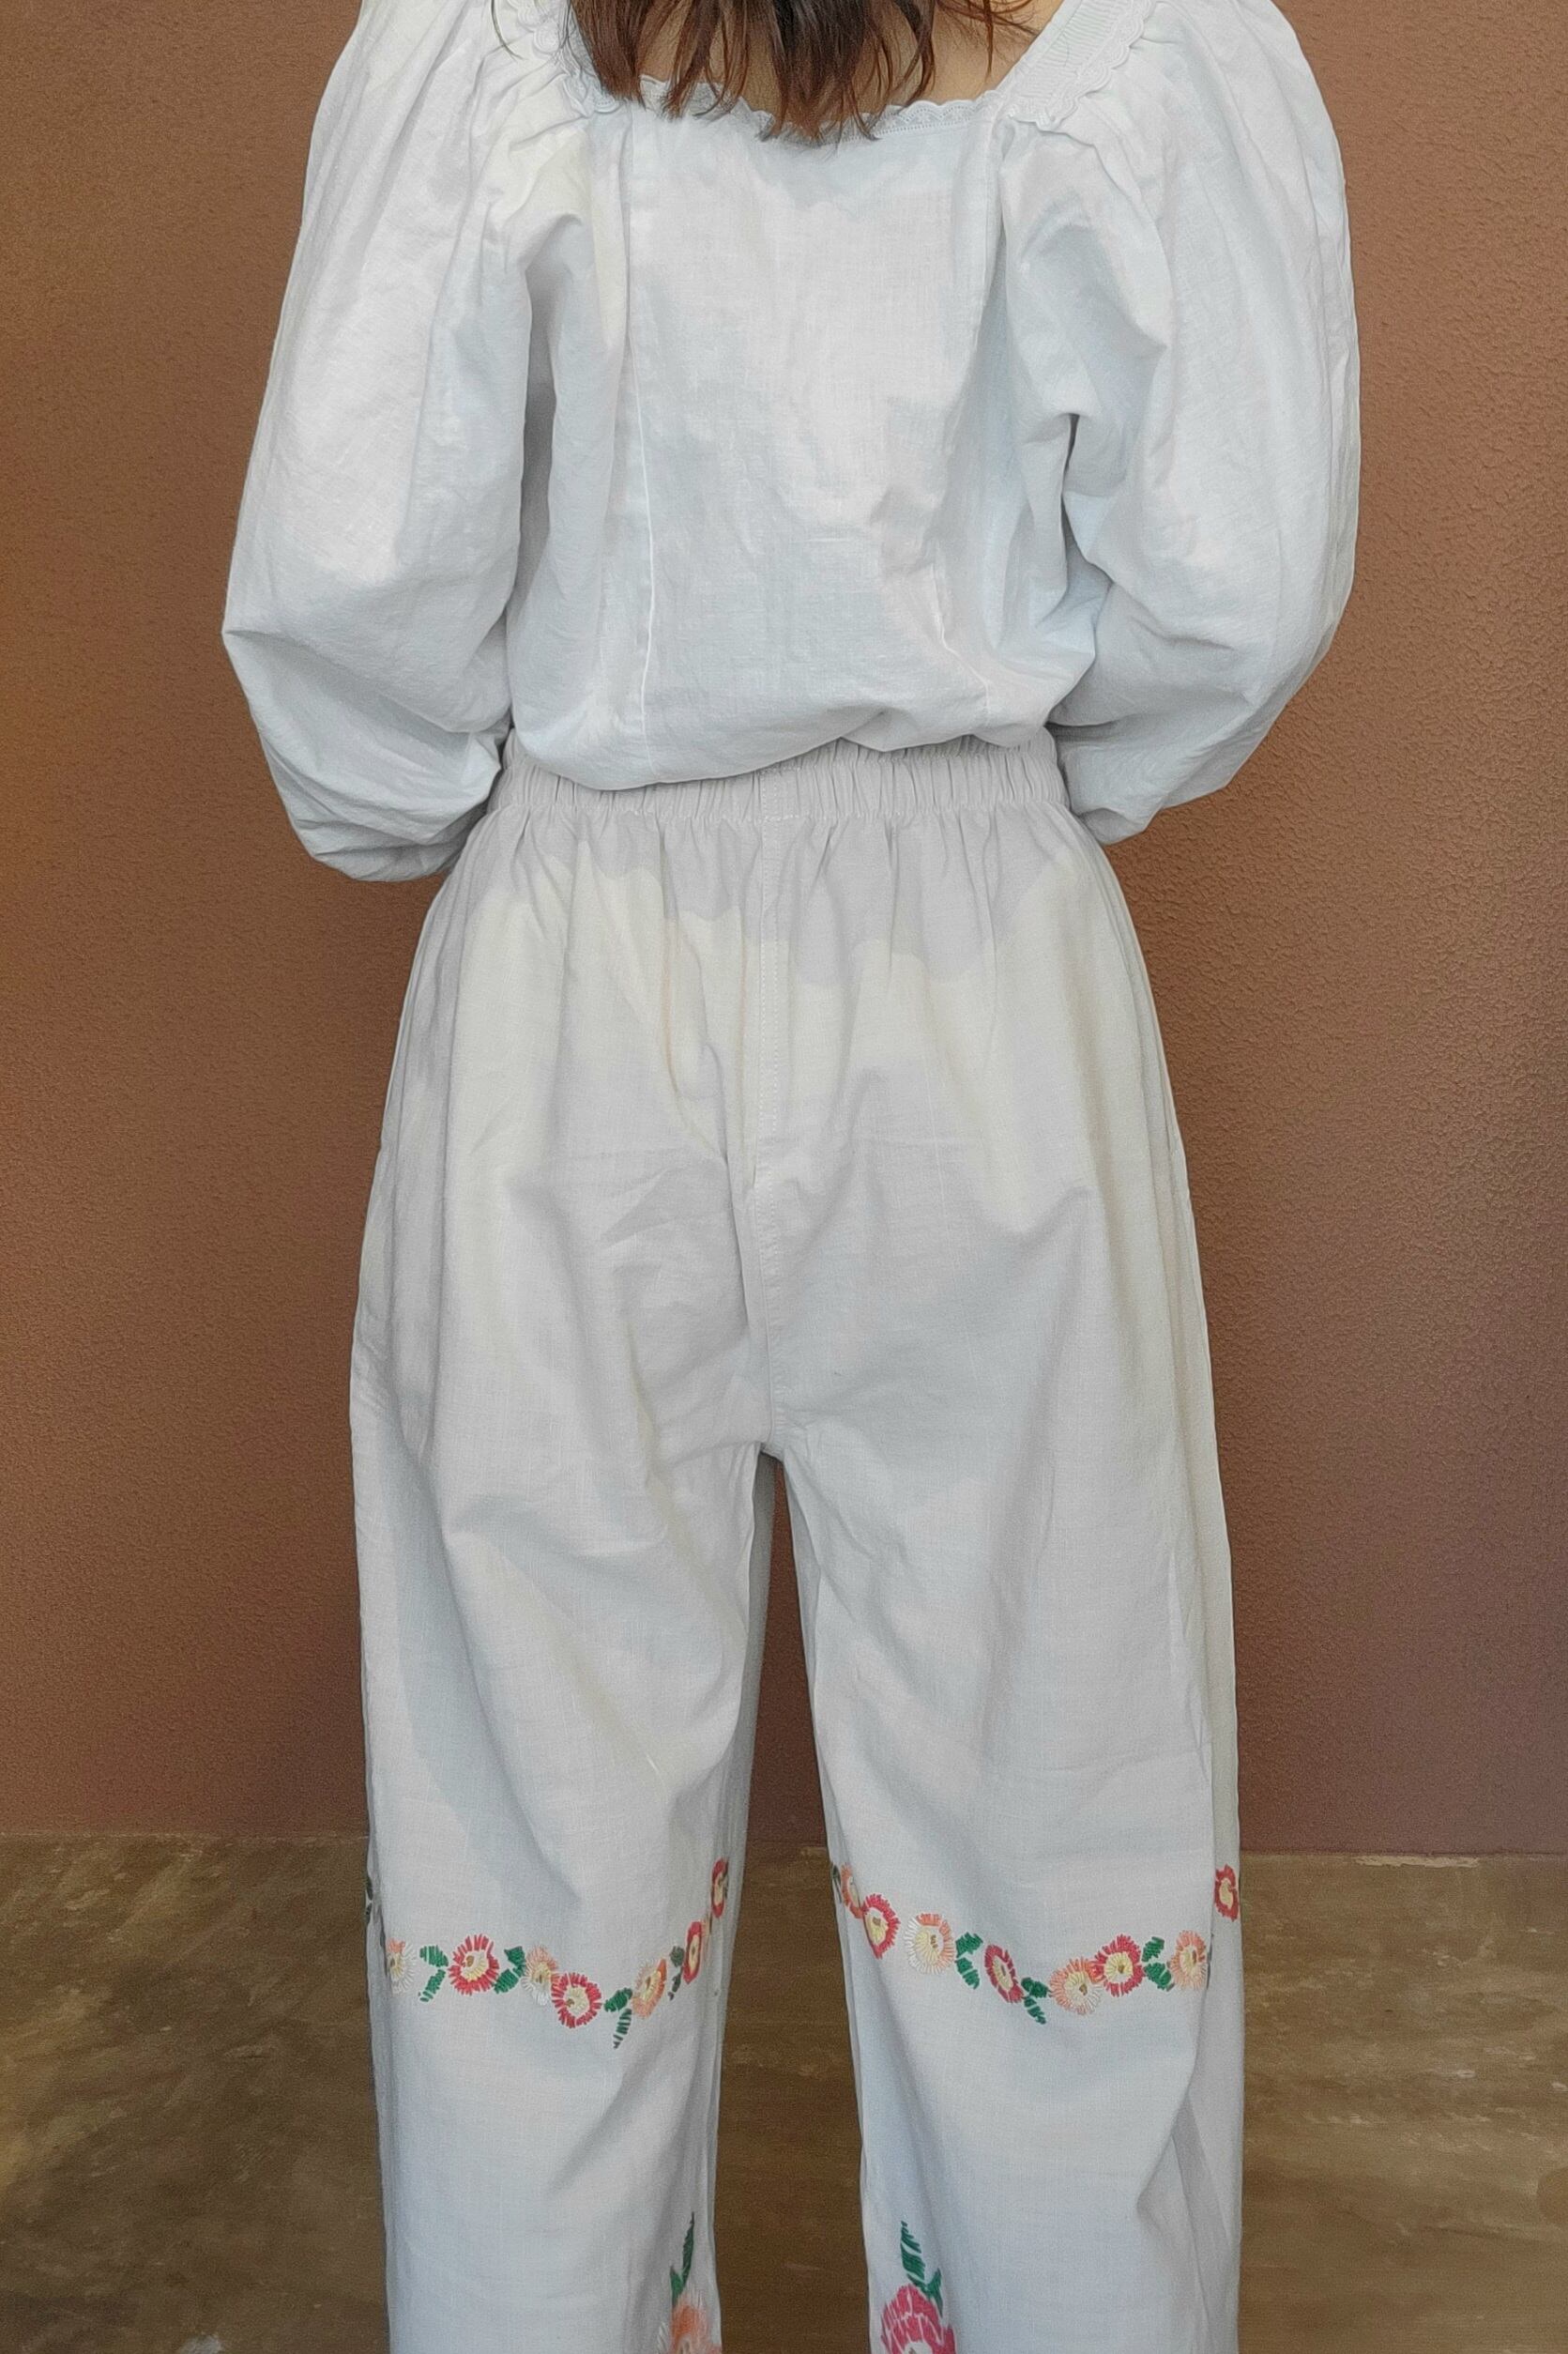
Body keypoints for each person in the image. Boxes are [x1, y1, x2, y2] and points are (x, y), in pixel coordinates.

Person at [221, 0, 1359, 2341]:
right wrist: (994, 801)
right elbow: (1229, 592)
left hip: (572, 984)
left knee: (533, 1838)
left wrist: (482, 815)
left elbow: (354, 614)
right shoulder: (1148, 53)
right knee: (1054, 1808)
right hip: (977, 995)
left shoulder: (473, 49)